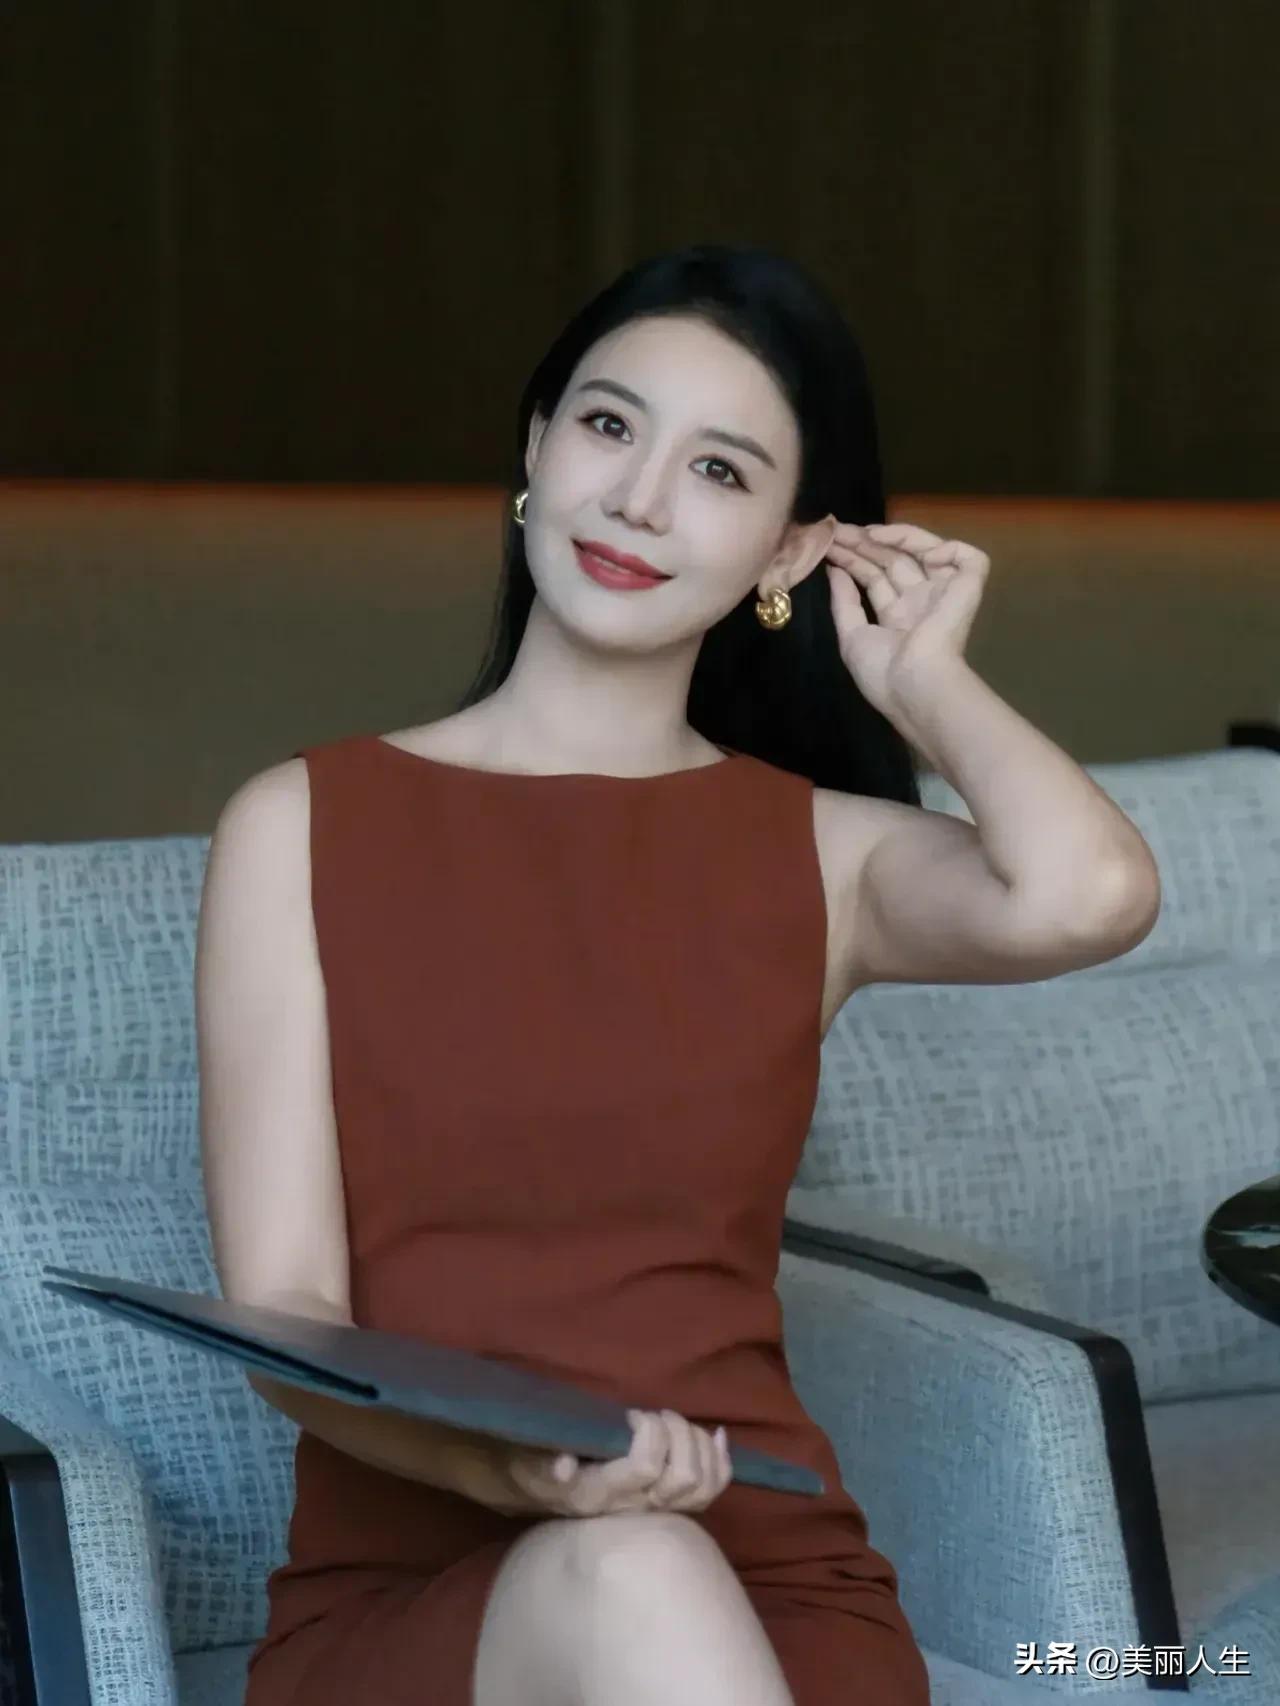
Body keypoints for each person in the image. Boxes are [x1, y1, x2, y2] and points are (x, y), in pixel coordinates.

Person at [198, 242, 1162, 1706]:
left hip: (772, 1585)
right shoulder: (300, 825)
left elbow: (1092, 895)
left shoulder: (823, 853)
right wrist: (516, 1472)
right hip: (419, 1605)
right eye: (609, 426)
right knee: (631, 1568)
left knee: (652, 1570)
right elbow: (283, 1310)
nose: (641, 499)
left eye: (719, 470)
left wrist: (926, 685)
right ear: (537, 447)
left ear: (788, 549)